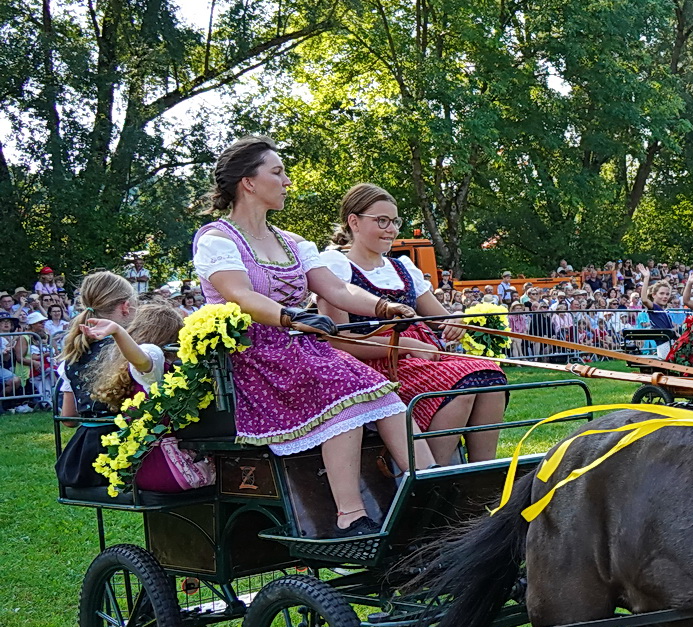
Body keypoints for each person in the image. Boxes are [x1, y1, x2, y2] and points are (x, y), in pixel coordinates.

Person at [192, 135, 427, 536]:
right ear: (248, 182)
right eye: (278, 172)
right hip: (255, 356)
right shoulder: (217, 239)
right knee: (345, 393)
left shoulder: (293, 242)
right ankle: (350, 516)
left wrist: (383, 307)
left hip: (301, 347)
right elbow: (240, 295)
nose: (287, 182)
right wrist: (290, 317)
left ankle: (433, 488)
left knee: (386, 396)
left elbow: (336, 289)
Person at [318, 184, 508, 465]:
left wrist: (457, 325)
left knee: (491, 376)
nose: (391, 229)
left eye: (395, 221)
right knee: (464, 382)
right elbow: (340, 341)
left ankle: (482, 477)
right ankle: (436, 479)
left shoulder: (403, 268)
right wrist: (405, 345)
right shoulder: (335, 267)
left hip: (422, 357)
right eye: (381, 221)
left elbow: (439, 319)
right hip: (376, 364)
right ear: (354, 222)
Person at [83, 301, 215, 492]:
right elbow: (143, 359)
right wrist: (119, 332)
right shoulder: (154, 358)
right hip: (170, 469)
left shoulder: (130, 372)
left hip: (146, 468)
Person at [54, 271, 140, 483]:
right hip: (127, 452)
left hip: (84, 456)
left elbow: (68, 419)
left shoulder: (74, 354)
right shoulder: (131, 352)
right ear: (125, 307)